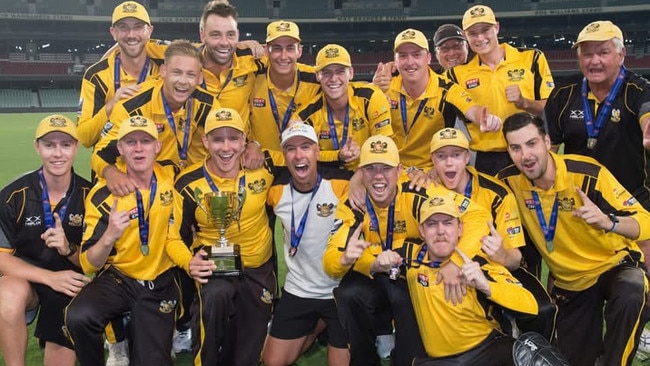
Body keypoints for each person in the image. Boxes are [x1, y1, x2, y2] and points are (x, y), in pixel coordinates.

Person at [323, 135, 494, 366]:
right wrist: (356, 261)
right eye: (371, 169)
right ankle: (365, 359)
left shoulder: (418, 189)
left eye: (386, 168)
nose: (379, 176)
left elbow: (477, 215)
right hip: (375, 268)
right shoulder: (353, 203)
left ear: (399, 170)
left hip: (410, 272)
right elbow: (331, 260)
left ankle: (407, 352)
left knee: (407, 294)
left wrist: (455, 262)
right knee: (347, 293)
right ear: (360, 172)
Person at [498, 112, 650, 366]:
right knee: (575, 360)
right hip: (570, 283)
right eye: (516, 148)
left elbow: (645, 221)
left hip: (614, 265)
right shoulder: (508, 182)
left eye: (531, 143)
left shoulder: (587, 174)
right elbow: (471, 189)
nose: (525, 155)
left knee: (632, 290)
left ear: (547, 142)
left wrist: (608, 222)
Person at [65, 116, 203, 366]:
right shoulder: (102, 194)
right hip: (119, 277)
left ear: (157, 147)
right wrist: (110, 236)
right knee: (79, 316)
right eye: (131, 142)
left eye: (146, 141)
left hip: (159, 280)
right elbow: (88, 265)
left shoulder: (171, 176)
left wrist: (189, 262)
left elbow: (173, 235)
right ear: (120, 148)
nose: (139, 148)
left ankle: (149, 337)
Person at [171, 107, 279, 366]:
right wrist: (189, 262)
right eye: (218, 139)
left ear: (244, 140)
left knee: (246, 358)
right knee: (216, 299)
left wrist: (257, 146)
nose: (226, 147)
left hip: (257, 269)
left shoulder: (265, 166)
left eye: (233, 138)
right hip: (215, 269)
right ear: (206, 141)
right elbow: (172, 237)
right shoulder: (187, 183)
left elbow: (305, 161)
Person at [429, 127, 556, 340]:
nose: (449, 163)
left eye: (456, 155)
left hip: (493, 268)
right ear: (432, 160)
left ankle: (537, 357)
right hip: (442, 266)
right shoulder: (425, 188)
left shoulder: (498, 193)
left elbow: (515, 260)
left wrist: (502, 255)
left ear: (467, 157)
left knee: (542, 310)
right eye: (442, 156)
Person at [545, 20, 650, 269]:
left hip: (634, 198)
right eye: (587, 53)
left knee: (643, 275)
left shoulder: (639, 90)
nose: (594, 61)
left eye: (603, 52)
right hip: (582, 201)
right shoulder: (563, 94)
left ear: (621, 54)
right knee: (574, 274)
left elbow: (647, 112)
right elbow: (547, 148)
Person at [0, 115, 91, 366]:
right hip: (25, 279)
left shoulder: (90, 196)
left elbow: (95, 261)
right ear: (37, 147)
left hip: (69, 285)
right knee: (6, 295)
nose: (57, 153)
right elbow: (1, 258)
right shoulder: (12, 195)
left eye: (65, 144)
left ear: (76, 147)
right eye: (49, 145)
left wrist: (69, 249)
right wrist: (49, 277)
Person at [406, 195, 538, 365]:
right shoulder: (410, 256)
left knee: (536, 358)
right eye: (432, 224)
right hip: (439, 361)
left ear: (460, 228)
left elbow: (531, 306)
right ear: (421, 231)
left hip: (485, 352)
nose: (440, 231)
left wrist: (487, 286)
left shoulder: (478, 263)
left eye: (448, 223)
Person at [263, 122, 351, 366]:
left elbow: (379, 179)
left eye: (305, 147)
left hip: (337, 291)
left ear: (318, 153)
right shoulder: (276, 192)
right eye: (291, 149)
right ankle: (313, 328)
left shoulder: (343, 185)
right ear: (285, 157)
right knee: (272, 362)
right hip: (299, 289)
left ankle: (322, 324)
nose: (299, 154)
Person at [92, 39, 218, 197]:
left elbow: (229, 138)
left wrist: (251, 146)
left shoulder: (207, 104)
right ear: (163, 71)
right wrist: (111, 173)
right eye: (176, 72)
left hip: (179, 184)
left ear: (200, 78)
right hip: (139, 185)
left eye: (191, 74)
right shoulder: (133, 105)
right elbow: (100, 153)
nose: (183, 81)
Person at [445, 5, 555, 175]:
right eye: (473, 33)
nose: (480, 38)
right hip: (485, 159)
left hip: (526, 152)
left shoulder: (532, 58)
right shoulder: (457, 74)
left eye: (485, 30)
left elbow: (552, 108)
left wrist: (523, 102)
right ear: (466, 36)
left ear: (496, 27)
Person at [378, 28, 501, 170]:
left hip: (432, 171)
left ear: (429, 58)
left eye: (417, 55)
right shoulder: (385, 86)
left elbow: (470, 108)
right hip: (392, 168)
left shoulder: (446, 89)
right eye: (403, 56)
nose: (410, 62)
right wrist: (375, 88)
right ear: (395, 60)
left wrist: (484, 118)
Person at [77, 1, 161, 152]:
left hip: (157, 168)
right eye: (123, 28)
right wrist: (111, 106)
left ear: (149, 31)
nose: (131, 35)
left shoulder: (165, 69)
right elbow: (85, 138)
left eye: (138, 27)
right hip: (110, 165)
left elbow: (196, 52)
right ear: (113, 32)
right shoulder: (96, 75)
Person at [296, 43, 393, 169]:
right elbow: (305, 156)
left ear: (351, 73)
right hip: (329, 178)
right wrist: (338, 155)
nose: (334, 79)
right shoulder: (306, 115)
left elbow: (384, 146)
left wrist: (359, 175)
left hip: (370, 173)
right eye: (326, 73)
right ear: (317, 76)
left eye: (340, 71)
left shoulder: (371, 97)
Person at [249, 20, 322, 152]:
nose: (283, 56)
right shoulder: (252, 77)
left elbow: (341, 87)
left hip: (300, 162)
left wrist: (372, 86)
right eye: (277, 48)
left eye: (290, 48)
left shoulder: (315, 79)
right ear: (266, 51)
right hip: (262, 163)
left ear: (299, 51)